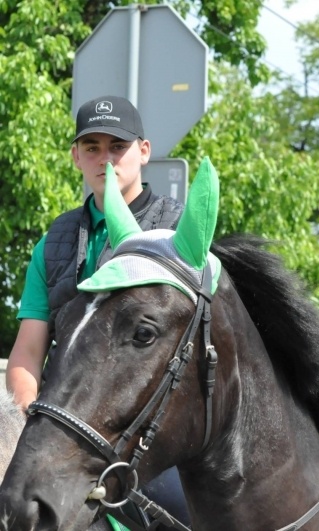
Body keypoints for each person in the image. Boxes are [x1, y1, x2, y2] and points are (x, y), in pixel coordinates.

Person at [5, 95, 189, 529]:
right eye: (92, 147)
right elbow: (28, 353)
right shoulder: (53, 244)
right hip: (64, 428)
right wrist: (35, 423)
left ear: (143, 151)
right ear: (76, 156)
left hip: (152, 437)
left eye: (117, 146)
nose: (105, 158)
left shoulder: (179, 234)